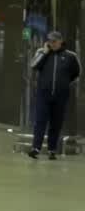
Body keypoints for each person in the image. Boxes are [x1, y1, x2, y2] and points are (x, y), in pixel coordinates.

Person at [28, 31, 80, 160]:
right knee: (40, 121)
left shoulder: (70, 56)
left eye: (55, 41)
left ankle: (52, 150)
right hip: (43, 94)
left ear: (61, 41)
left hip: (60, 95)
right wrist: (45, 52)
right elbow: (34, 65)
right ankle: (36, 148)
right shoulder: (42, 52)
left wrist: (64, 84)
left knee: (56, 123)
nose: (52, 43)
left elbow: (76, 73)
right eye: (50, 41)